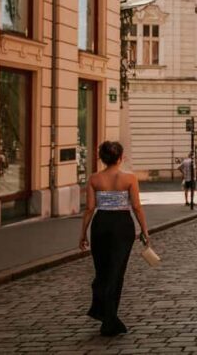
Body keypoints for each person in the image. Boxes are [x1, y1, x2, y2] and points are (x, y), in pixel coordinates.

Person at [79, 141, 149, 337]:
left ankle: (104, 313)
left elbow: (89, 208)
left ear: (102, 158)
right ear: (120, 158)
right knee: (116, 271)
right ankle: (109, 318)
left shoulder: (94, 179)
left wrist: (83, 233)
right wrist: (144, 229)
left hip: (101, 224)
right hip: (122, 225)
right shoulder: (129, 178)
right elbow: (136, 206)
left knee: (102, 270)